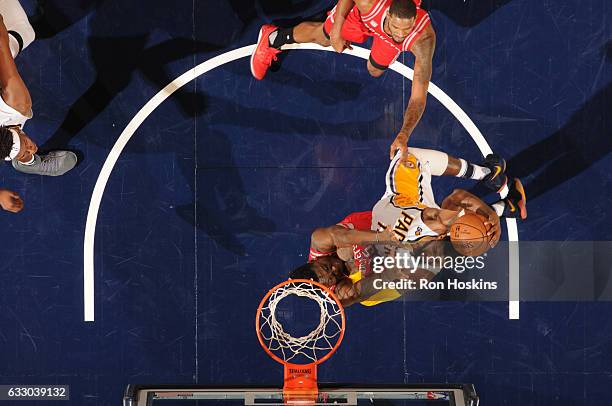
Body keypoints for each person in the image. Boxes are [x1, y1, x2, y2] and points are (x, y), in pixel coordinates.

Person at [290, 148, 527, 307]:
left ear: (313, 260)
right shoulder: (342, 291)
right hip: (398, 265)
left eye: (325, 267)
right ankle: (502, 210)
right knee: (452, 231)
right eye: (330, 278)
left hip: (392, 218)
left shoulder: (320, 241)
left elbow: (341, 235)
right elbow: (386, 277)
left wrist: (378, 237)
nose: (332, 271)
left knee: (409, 158)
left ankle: (488, 174)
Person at [250, 0, 435, 161]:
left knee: (375, 70)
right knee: (323, 37)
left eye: (406, 29)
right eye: (396, 28)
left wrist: (404, 134)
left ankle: (378, 38)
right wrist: (337, 31)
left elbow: (418, 98)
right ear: (388, 14)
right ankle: (273, 38)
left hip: (378, 26)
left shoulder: (423, 38)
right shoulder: (371, 4)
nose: (401, 35)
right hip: (364, 17)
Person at [0, 0, 77, 213]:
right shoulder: (16, 107)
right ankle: (26, 161)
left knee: (24, 33)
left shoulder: (15, 102)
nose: (34, 145)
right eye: (28, 148)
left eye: (27, 145)